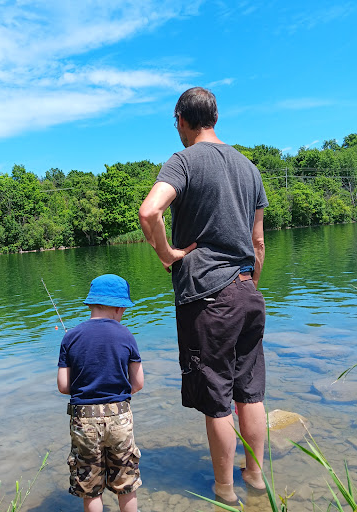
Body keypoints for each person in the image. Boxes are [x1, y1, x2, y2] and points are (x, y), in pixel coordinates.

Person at [138, 87, 268, 503]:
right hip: (247, 291)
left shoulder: (183, 161)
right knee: (250, 392)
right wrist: (249, 285)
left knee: (217, 399)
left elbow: (149, 211)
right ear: (215, 117)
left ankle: (224, 490)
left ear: (181, 119)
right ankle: (256, 479)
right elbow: (258, 242)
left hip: (207, 296)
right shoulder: (249, 167)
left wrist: (167, 254)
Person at [57, 274, 144, 512]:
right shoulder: (126, 335)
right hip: (119, 417)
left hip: (83, 420)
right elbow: (138, 383)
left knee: (90, 487)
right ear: (119, 307)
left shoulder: (70, 336)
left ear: (91, 304)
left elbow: (63, 386)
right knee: (126, 483)